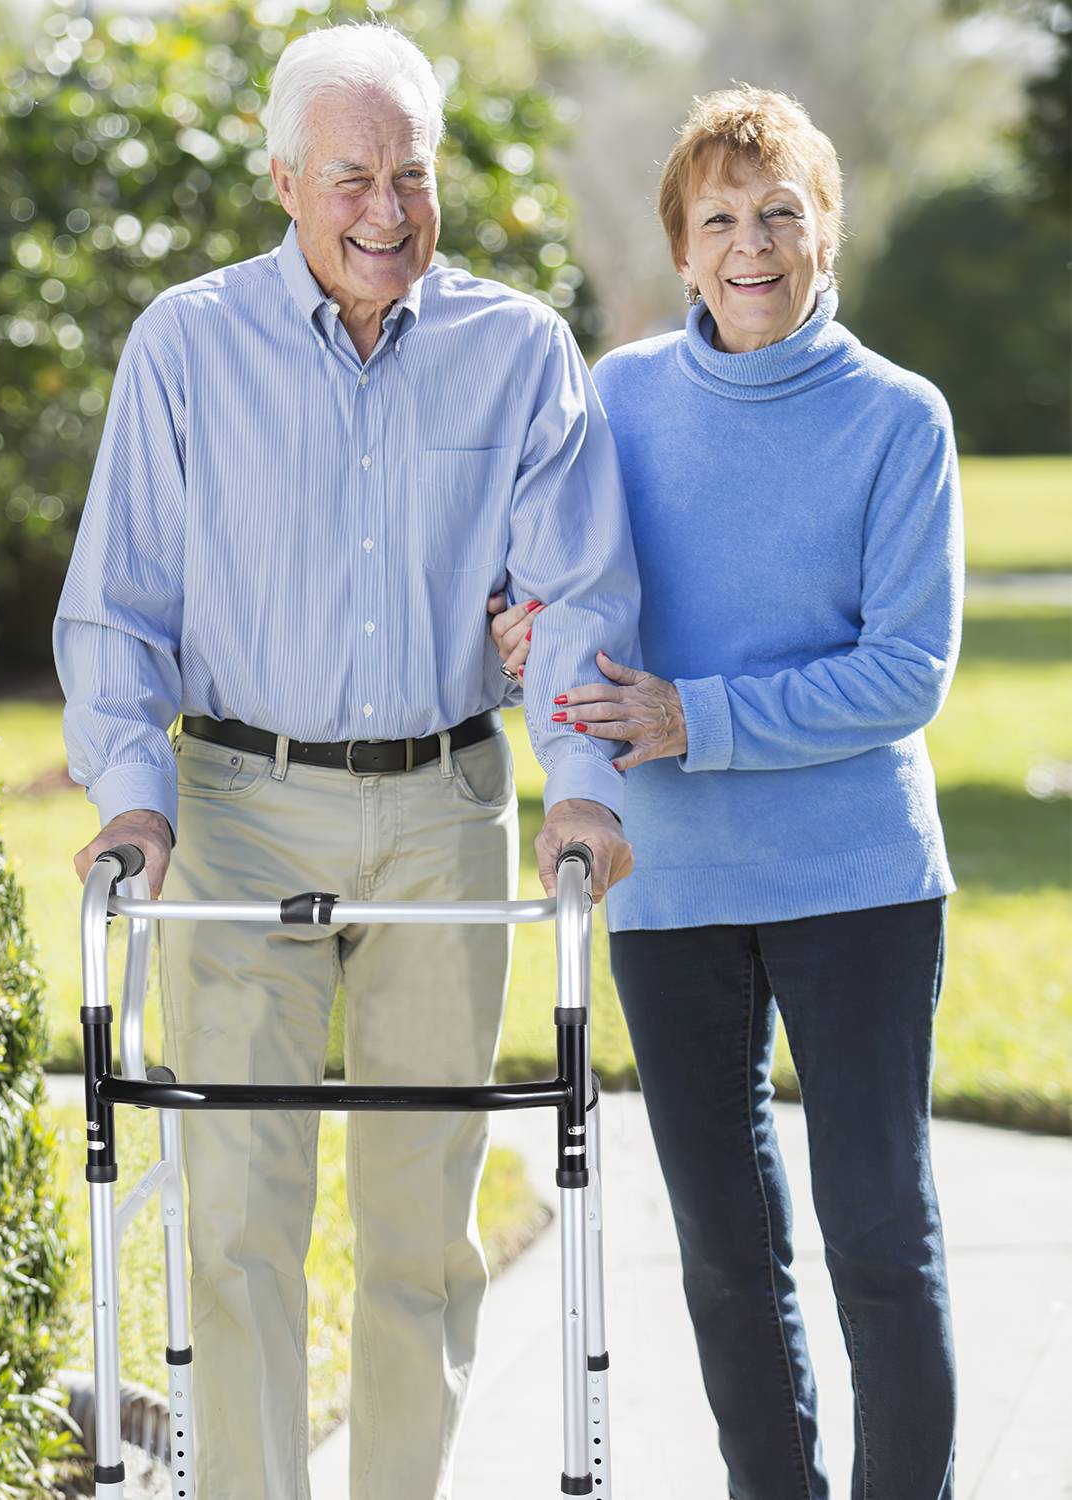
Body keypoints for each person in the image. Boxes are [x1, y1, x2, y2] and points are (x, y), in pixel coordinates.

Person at [54, 22, 640, 1499]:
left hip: (447, 809)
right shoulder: (186, 346)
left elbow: (575, 600)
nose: (386, 210)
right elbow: (116, 603)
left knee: (420, 1225)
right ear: (283, 182)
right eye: (350, 178)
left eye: (412, 174)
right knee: (240, 1213)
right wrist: (133, 795)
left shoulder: (518, 354)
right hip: (242, 815)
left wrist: (581, 788)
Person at [492, 85, 960, 1500]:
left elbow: (908, 672)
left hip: (858, 883)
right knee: (721, 1253)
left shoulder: (898, 420)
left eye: (781, 214)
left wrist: (698, 715)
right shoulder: (617, 396)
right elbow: (567, 593)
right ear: (682, 252)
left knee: (879, 1236)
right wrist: (523, 628)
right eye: (720, 220)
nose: (752, 244)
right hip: (673, 886)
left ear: (828, 233)